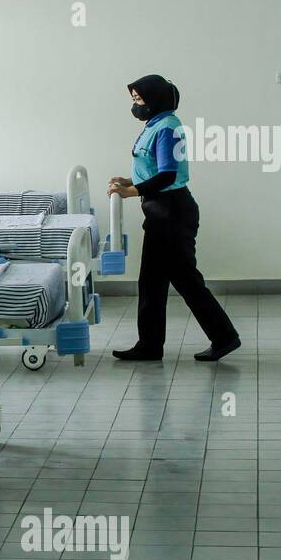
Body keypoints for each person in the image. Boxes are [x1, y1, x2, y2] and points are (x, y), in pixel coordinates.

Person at [108, 75, 240, 362]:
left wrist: (131, 192)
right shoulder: (155, 125)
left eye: (139, 100)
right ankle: (150, 345)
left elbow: (168, 175)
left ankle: (224, 337)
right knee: (152, 282)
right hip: (160, 211)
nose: (135, 105)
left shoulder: (167, 127)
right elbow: (155, 168)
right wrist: (129, 179)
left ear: (154, 99)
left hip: (171, 212)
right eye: (133, 100)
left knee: (186, 281)